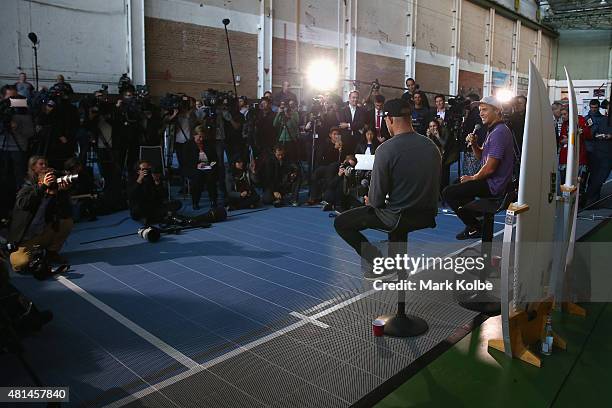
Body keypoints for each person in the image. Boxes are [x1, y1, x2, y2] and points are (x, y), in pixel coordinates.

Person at [334, 98, 441, 279]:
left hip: (399, 217)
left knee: (342, 223)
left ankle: (380, 264)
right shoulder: (432, 147)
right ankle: (395, 265)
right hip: (427, 215)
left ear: (389, 119)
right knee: (393, 206)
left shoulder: (386, 149)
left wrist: (369, 199)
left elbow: (375, 201)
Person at [442, 96, 515, 240]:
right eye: (480, 110)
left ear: (497, 111)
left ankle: (475, 226)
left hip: (494, 186)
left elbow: (489, 169)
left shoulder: (499, 132)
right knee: (458, 183)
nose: (481, 113)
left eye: (485, 110)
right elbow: (483, 157)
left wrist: (473, 178)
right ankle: (478, 218)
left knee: (449, 192)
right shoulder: (494, 130)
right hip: (492, 182)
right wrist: (475, 145)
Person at [8, 156, 74, 271]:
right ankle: (26, 253)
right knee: (19, 264)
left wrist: (63, 193)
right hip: (27, 238)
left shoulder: (52, 192)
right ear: (40, 181)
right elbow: (23, 204)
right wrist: (43, 187)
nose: (44, 166)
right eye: (41, 164)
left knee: (66, 222)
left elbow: (65, 213)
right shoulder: (27, 188)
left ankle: (51, 252)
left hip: (43, 233)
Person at [182, 125, 219, 210]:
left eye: (203, 137)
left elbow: (215, 160)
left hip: (208, 167)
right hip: (193, 167)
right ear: (194, 135)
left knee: (211, 176)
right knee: (197, 177)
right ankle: (195, 202)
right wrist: (196, 165)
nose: (201, 139)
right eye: (199, 137)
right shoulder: (188, 145)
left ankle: (213, 200)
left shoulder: (208, 144)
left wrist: (211, 165)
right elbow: (185, 160)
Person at [584, 99, 612, 206]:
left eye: (595, 108)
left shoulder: (602, 119)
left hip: (599, 150)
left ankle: (591, 199)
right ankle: (588, 198)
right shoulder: (588, 119)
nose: (593, 110)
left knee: (597, 177)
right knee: (590, 176)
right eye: (592, 108)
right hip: (592, 150)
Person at [127, 160, 168, 224]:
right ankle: (152, 218)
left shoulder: (152, 177)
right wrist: (139, 180)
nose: (146, 170)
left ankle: (152, 217)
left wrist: (157, 183)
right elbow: (131, 195)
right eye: (144, 169)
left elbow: (163, 196)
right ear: (138, 171)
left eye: (148, 168)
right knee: (139, 209)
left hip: (152, 205)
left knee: (176, 204)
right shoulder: (133, 179)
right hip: (139, 207)